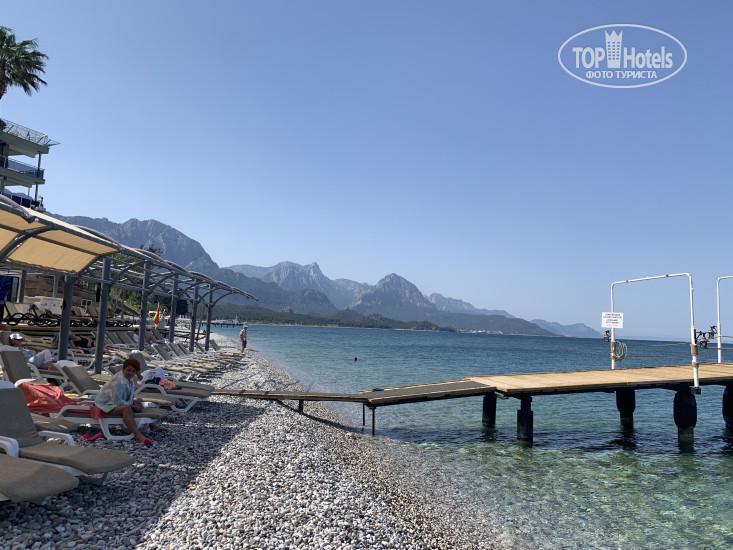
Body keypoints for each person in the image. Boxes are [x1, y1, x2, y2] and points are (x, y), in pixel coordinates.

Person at [94, 357, 166, 445]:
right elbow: (117, 401)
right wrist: (131, 405)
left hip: (117, 402)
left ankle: (152, 426)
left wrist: (134, 403)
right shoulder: (118, 382)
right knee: (126, 409)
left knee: (138, 401)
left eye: (133, 371)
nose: (130, 373)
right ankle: (138, 436)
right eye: (128, 370)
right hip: (106, 405)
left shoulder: (129, 379)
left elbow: (129, 395)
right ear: (123, 369)